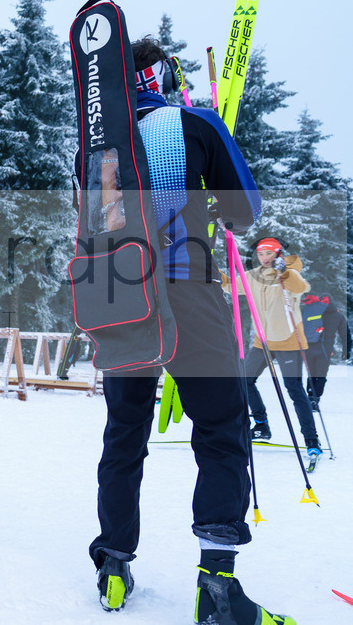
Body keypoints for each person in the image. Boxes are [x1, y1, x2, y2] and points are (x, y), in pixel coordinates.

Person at [90, 37, 295, 624]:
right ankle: (218, 585)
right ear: (162, 76)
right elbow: (243, 212)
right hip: (186, 285)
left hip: (117, 294)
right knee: (222, 426)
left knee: (125, 430)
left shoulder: (95, 138)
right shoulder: (192, 121)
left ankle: (113, 564)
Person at [222, 238, 319, 457]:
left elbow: (301, 287)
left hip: (288, 339)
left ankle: (311, 439)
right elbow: (231, 286)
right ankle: (261, 425)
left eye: (269, 254)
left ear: (278, 253)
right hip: (263, 341)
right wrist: (216, 277)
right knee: (245, 380)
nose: (264, 258)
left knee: (293, 388)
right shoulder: (253, 276)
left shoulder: (290, 273)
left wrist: (284, 272)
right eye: (261, 254)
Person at [301, 293, 352, 409]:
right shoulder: (338, 316)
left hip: (310, 347)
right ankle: (314, 400)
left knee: (312, 374)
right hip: (325, 349)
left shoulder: (313, 311)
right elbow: (345, 335)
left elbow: (301, 327)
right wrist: (346, 350)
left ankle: (311, 398)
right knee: (321, 375)